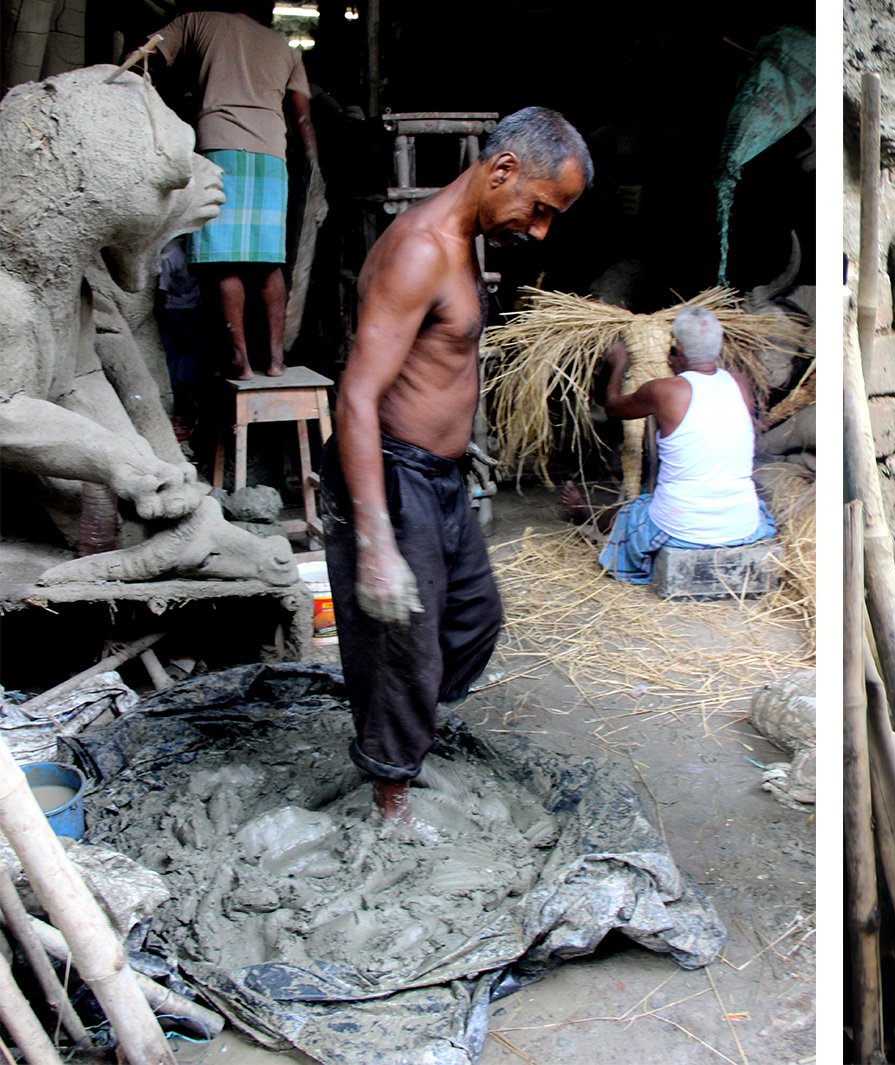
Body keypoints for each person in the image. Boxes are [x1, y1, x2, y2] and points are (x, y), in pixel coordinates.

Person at [320, 106, 590, 825]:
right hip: (392, 470)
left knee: (473, 618)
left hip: (438, 477)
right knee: (404, 636)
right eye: (538, 209)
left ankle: (403, 727)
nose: (538, 230)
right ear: (502, 169)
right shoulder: (421, 249)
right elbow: (355, 396)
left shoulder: (466, 239)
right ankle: (390, 795)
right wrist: (375, 541)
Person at [148, 2, 317, 379]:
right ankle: (275, 360)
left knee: (226, 260)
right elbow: (302, 114)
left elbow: (146, 56)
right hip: (272, 156)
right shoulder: (283, 46)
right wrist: (314, 168)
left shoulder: (197, 20)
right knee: (269, 260)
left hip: (220, 147)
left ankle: (240, 361)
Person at [592, 307, 775, 582]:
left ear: (677, 350)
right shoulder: (740, 383)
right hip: (743, 526)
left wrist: (618, 363)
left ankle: (587, 514)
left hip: (680, 527)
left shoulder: (663, 390)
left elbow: (613, 408)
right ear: (719, 346)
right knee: (755, 505)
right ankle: (587, 512)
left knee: (634, 510)